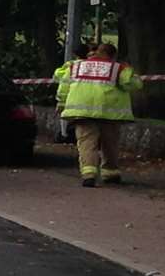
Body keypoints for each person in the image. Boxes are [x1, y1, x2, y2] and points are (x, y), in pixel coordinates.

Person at [59, 41, 140, 188]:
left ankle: (89, 174)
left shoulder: (76, 66)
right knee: (110, 143)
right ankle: (110, 173)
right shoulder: (118, 68)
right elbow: (133, 85)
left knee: (86, 144)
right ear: (112, 55)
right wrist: (131, 71)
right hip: (109, 112)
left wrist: (61, 103)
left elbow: (63, 85)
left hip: (82, 112)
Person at [51, 42, 90, 143]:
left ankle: (64, 135)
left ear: (75, 54)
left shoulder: (71, 65)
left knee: (64, 116)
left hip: (72, 97)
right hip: (90, 99)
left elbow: (59, 77)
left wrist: (61, 102)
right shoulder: (93, 65)